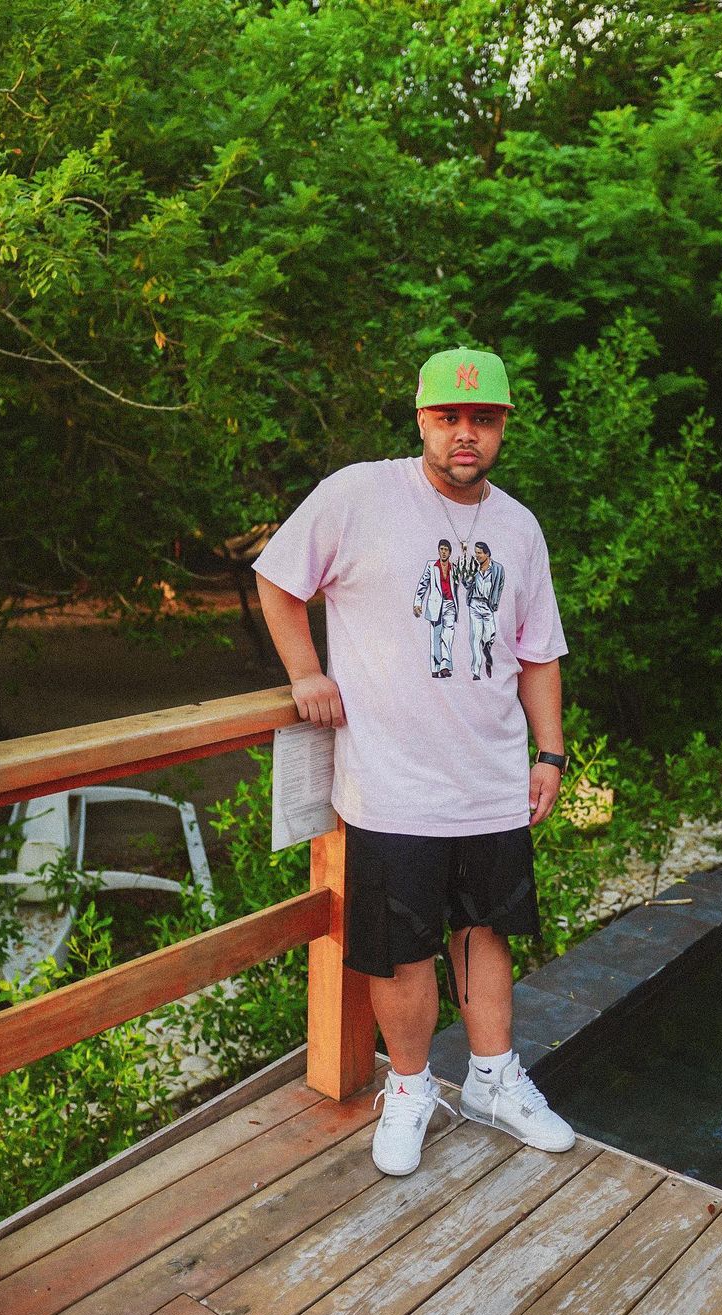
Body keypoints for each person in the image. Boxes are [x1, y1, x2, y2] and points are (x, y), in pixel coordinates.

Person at [254, 345, 575, 1177]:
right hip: (391, 782)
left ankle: (494, 1078)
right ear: (422, 419)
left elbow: (539, 651)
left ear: (503, 427)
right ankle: (409, 1088)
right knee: (400, 946)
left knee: (486, 928)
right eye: (449, 417)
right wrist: (305, 673)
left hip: (492, 778)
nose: (466, 433)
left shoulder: (519, 527)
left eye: (483, 419)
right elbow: (278, 580)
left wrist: (549, 750)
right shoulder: (359, 495)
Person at [414, 538, 459, 677]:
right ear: (439, 551)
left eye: (446, 550)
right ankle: (435, 667)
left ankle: (445, 666)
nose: (443, 552)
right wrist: (417, 602)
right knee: (436, 636)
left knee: (448, 634)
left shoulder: (454, 568)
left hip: (450, 604)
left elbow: (460, 583)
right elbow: (423, 583)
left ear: (450, 552)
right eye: (442, 549)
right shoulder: (431, 565)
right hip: (435, 605)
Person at [464, 541, 504, 680]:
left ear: (487, 553)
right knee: (475, 638)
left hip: (488, 605)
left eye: (479, 553)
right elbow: (466, 584)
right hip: (475, 603)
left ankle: (487, 653)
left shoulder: (497, 568)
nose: (477, 555)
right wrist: (471, 572)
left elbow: (499, 586)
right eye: (476, 553)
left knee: (490, 635)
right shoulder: (474, 567)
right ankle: (476, 671)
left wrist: (495, 603)